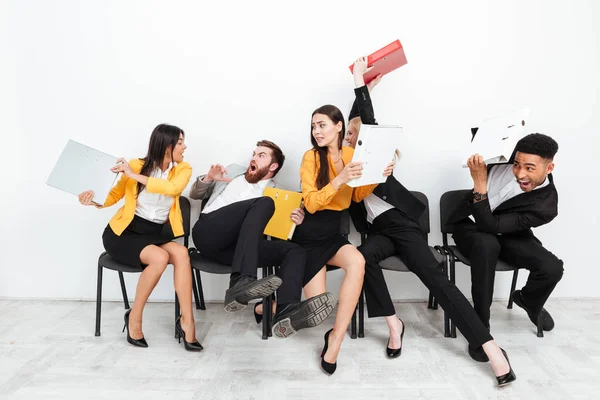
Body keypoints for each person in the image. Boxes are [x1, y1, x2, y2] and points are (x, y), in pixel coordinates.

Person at [347, 57, 516, 386]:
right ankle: (393, 323)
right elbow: (342, 125)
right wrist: (360, 90)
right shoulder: (341, 164)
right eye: (348, 134)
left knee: (436, 279)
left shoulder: (376, 153)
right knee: (361, 256)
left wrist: (359, 83)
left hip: (402, 224)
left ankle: (490, 347)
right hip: (378, 231)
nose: (352, 137)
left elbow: (364, 121)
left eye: (357, 133)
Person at [292, 66, 396, 375]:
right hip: (308, 233)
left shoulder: (351, 154)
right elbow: (310, 202)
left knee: (358, 262)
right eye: (313, 126)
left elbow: (357, 196)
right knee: (316, 310)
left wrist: (379, 175)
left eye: (322, 125)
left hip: (333, 234)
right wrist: (338, 180)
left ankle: (335, 340)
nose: (317, 131)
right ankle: (269, 307)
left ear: (339, 126)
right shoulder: (311, 158)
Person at [190, 140, 335, 338]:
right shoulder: (232, 172)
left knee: (294, 251)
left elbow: (279, 233)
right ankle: (241, 281)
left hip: (238, 250)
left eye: (261, 155)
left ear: (273, 166)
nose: (253, 158)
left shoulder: (279, 194)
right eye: (254, 154)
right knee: (265, 203)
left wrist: (295, 221)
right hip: (208, 232)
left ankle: (285, 311)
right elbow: (195, 194)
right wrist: (208, 178)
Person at [78, 123, 202, 351]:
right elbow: (114, 196)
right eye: (181, 142)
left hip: (154, 233)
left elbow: (172, 189)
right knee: (160, 258)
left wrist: (134, 175)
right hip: (123, 233)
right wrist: (92, 200)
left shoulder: (183, 169)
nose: (185, 147)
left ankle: (187, 321)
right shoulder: (136, 165)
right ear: (167, 146)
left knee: (182, 253)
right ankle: (134, 317)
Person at [449, 133, 562, 348]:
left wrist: (480, 184)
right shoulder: (506, 155)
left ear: (549, 168)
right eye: (517, 165)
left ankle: (528, 300)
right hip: (470, 224)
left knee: (552, 268)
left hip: (507, 232)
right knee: (487, 245)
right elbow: (484, 136)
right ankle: (480, 329)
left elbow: (490, 226)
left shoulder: (546, 205)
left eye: (529, 168)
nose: (520, 173)